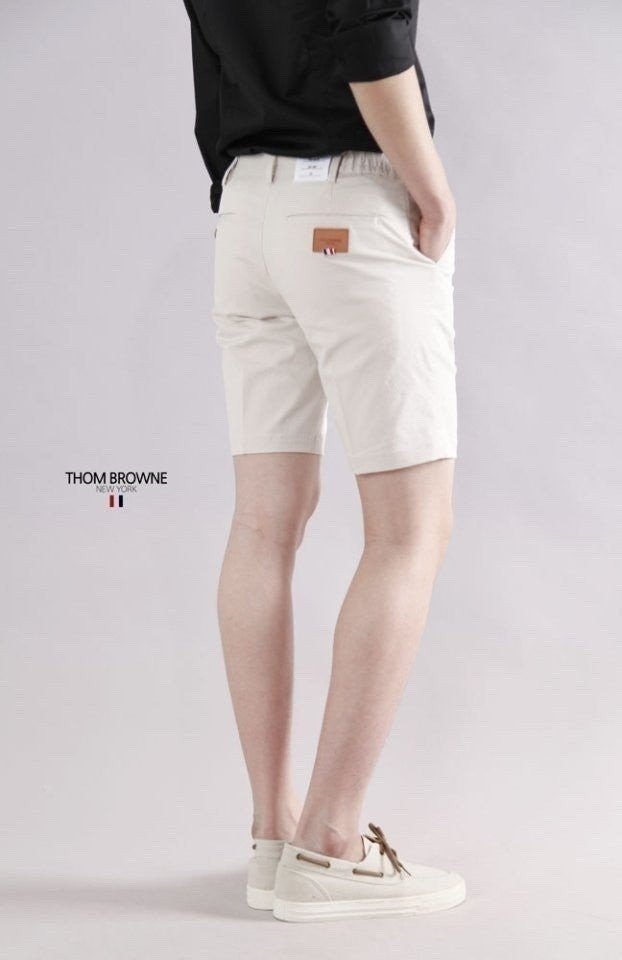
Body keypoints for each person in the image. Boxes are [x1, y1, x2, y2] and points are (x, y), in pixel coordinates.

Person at [181, 0, 465, 922]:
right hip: (351, 196)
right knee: (411, 529)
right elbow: (367, 31)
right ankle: (333, 842)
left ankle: (275, 833)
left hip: (247, 213)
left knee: (264, 521)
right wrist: (432, 190)